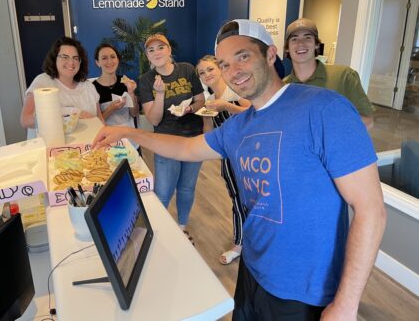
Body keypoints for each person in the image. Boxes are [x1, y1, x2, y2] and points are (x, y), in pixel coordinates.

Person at [93, 20, 386, 321]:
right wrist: (129, 134)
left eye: (243, 56)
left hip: (303, 291)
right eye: (224, 64)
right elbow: (186, 148)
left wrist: (347, 305)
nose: (234, 71)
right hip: (252, 270)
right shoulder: (239, 126)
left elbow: (371, 210)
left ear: (270, 54)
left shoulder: (325, 108)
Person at [138, 33, 205, 236]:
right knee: (163, 192)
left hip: (193, 138)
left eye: (161, 47)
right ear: (147, 56)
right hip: (166, 140)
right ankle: (158, 232)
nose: (156, 52)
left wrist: (190, 109)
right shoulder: (146, 80)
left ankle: (181, 227)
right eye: (151, 50)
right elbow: (154, 120)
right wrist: (160, 94)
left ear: (169, 50)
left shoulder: (187, 69)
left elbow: (201, 100)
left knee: (187, 188)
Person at [196, 55, 250, 265]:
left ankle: (258, 242)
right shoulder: (210, 101)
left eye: (210, 69)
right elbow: (209, 133)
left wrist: (227, 106)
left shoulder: (235, 89)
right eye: (202, 73)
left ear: (219, 68)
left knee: (258, 200)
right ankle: (239, 244)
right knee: (237, 199)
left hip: (250, 154)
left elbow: (254, 112)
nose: (207, 75)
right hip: (228, 156)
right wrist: (207, 116)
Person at [283, 18, 375, 129]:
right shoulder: (283, 87)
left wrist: (328, 126)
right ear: (287, 48)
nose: (301, 43)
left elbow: (368, 121)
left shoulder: (343, 76)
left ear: (317, 45)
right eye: (294, 39)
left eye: (307, 38)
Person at [20, 36, 105, 128]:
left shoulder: (88, 86)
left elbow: (100, 120)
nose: (71, 62)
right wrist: (68, 117)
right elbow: (25, 120)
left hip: (90, 141)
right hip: (55, 141)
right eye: (65, 57)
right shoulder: (43, 82)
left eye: (75, 58)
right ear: (54, 58)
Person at [92, 42, 139, 132]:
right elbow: (95, 122)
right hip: (106, 136)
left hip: (129, 134)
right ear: (97, 62)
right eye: (104, 58)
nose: (109, 61)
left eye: (113, 57)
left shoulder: (125, 81)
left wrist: (131, 93)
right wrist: (111, 109)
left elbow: (134, 113)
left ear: (118, 60)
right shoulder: (92, 88)